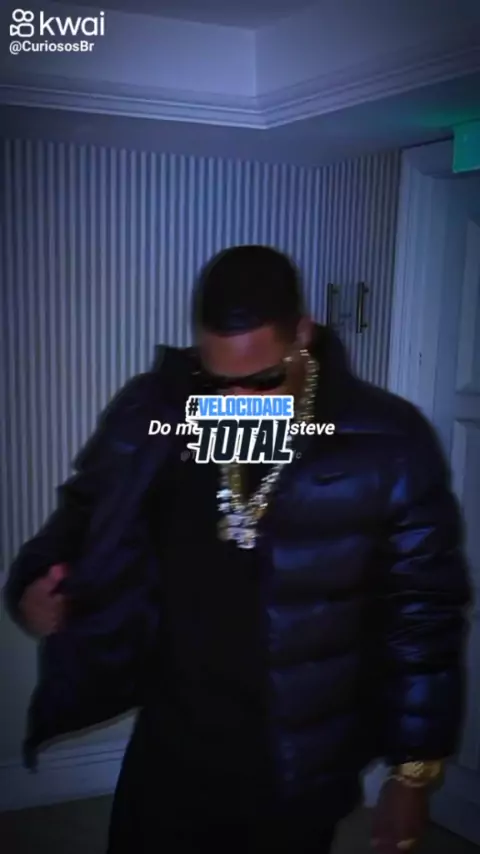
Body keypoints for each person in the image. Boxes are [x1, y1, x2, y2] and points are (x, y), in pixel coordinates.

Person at [4, 245, 471, 854]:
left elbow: (425, 608)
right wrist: (34, 579)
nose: (238, 398)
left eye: (264, 378)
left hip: (297, 754)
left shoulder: (388, 439)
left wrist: (414, 773)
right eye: (218, 381)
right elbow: (84, 509)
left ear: (302, 334)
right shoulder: (159, 409)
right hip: (172, 736)